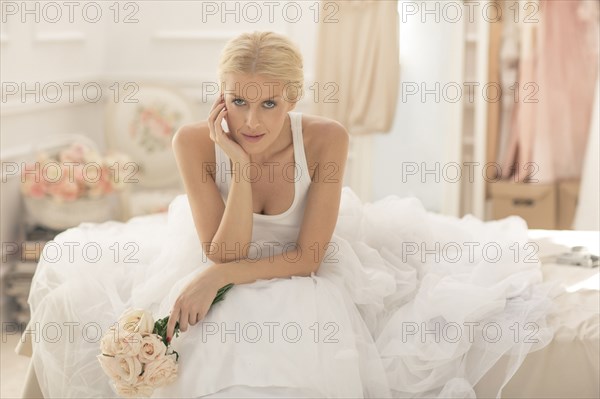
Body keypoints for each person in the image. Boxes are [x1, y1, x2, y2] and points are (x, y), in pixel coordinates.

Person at [23, 31, 557, 399]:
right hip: (225, 257)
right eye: (237, 102)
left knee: (303, 334)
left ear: (294, 98)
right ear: (220, 98)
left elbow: (305, 258)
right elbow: (225, 248)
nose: (251, 121)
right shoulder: (195, 142)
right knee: (212, 340)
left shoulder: (326, 139)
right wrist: (238, 163)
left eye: (271, 106)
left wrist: (217, 276)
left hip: (303, 270)